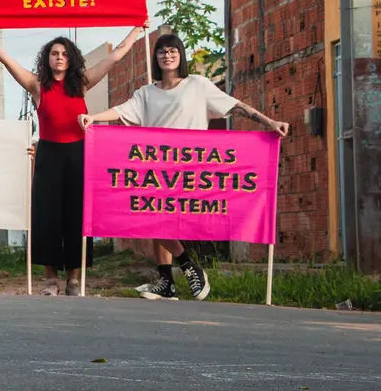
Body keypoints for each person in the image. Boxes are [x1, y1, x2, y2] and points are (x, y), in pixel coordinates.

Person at [80, 32, 289, 301]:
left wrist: (269, 122)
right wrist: (92, 118)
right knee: (150, 217)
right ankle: (171, 279)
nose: (167, 55)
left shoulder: (198, 85)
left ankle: (186, 267)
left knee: (157, 220)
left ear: (181, 55)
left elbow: (234, 106)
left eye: (173, 50)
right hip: (155, 168)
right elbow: (122, 111)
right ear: (155, 58)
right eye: (162, 51)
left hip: (190, 168)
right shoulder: (146, 93)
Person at [0, 21, 143, 296]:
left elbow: (115, 57)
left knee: (76, 216)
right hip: (48, 155)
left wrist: (138, 30)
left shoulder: (83, 84)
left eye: (64, 54)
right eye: (54, 53)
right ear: (47, 58)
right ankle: (51, 279)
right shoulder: (37, 86)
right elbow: (6, 60)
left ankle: (74, 279)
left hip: (78, 155)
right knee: (47, 218)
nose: (59, 57)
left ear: (71, 58)